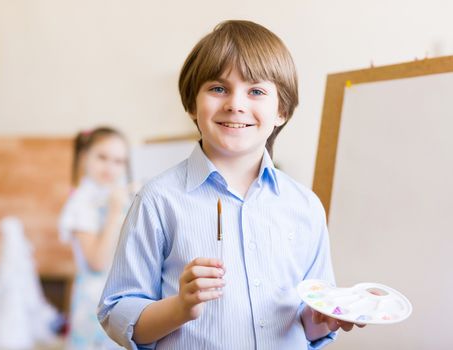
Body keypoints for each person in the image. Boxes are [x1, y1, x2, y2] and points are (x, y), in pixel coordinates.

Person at [98, 20, 363, 350]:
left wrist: (322, 317)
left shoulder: (304, 206)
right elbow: (118, 313)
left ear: (281, 109)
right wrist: (180, 307)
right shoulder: (158, 200)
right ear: (192, 103)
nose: (236, 104)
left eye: (256, 91)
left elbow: (307, 324)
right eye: (218, 88)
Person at [59, 127, 131, 350]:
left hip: (122, 292)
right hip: (95, 298)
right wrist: (114, 212)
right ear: (84, 157)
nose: (110, 167)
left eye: (119, 161)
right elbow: (97, 262)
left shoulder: (114, 195)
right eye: (102, 157)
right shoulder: (82, 203)